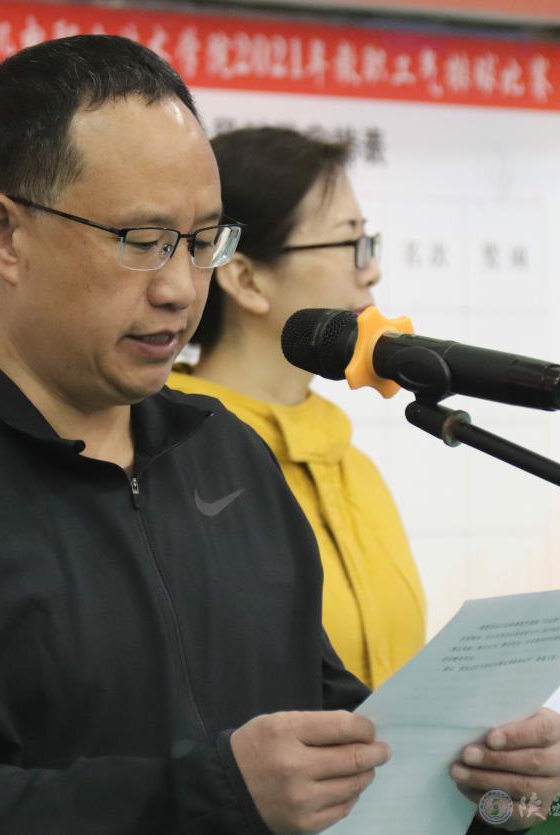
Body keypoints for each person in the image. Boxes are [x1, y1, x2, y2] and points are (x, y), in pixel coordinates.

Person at [0, 35, 560, 834]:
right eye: (142, 242)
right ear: (4, 235)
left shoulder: (225, 451)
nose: (182, 288)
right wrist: (213, 796)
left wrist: (472, 779)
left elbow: (330, 727)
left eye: (202, 242)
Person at [168, 127, 424, 690]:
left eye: (368, 242)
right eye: (348, 243)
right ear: (245, 277)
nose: (371, 271)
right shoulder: (172, 466)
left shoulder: (353, 468)